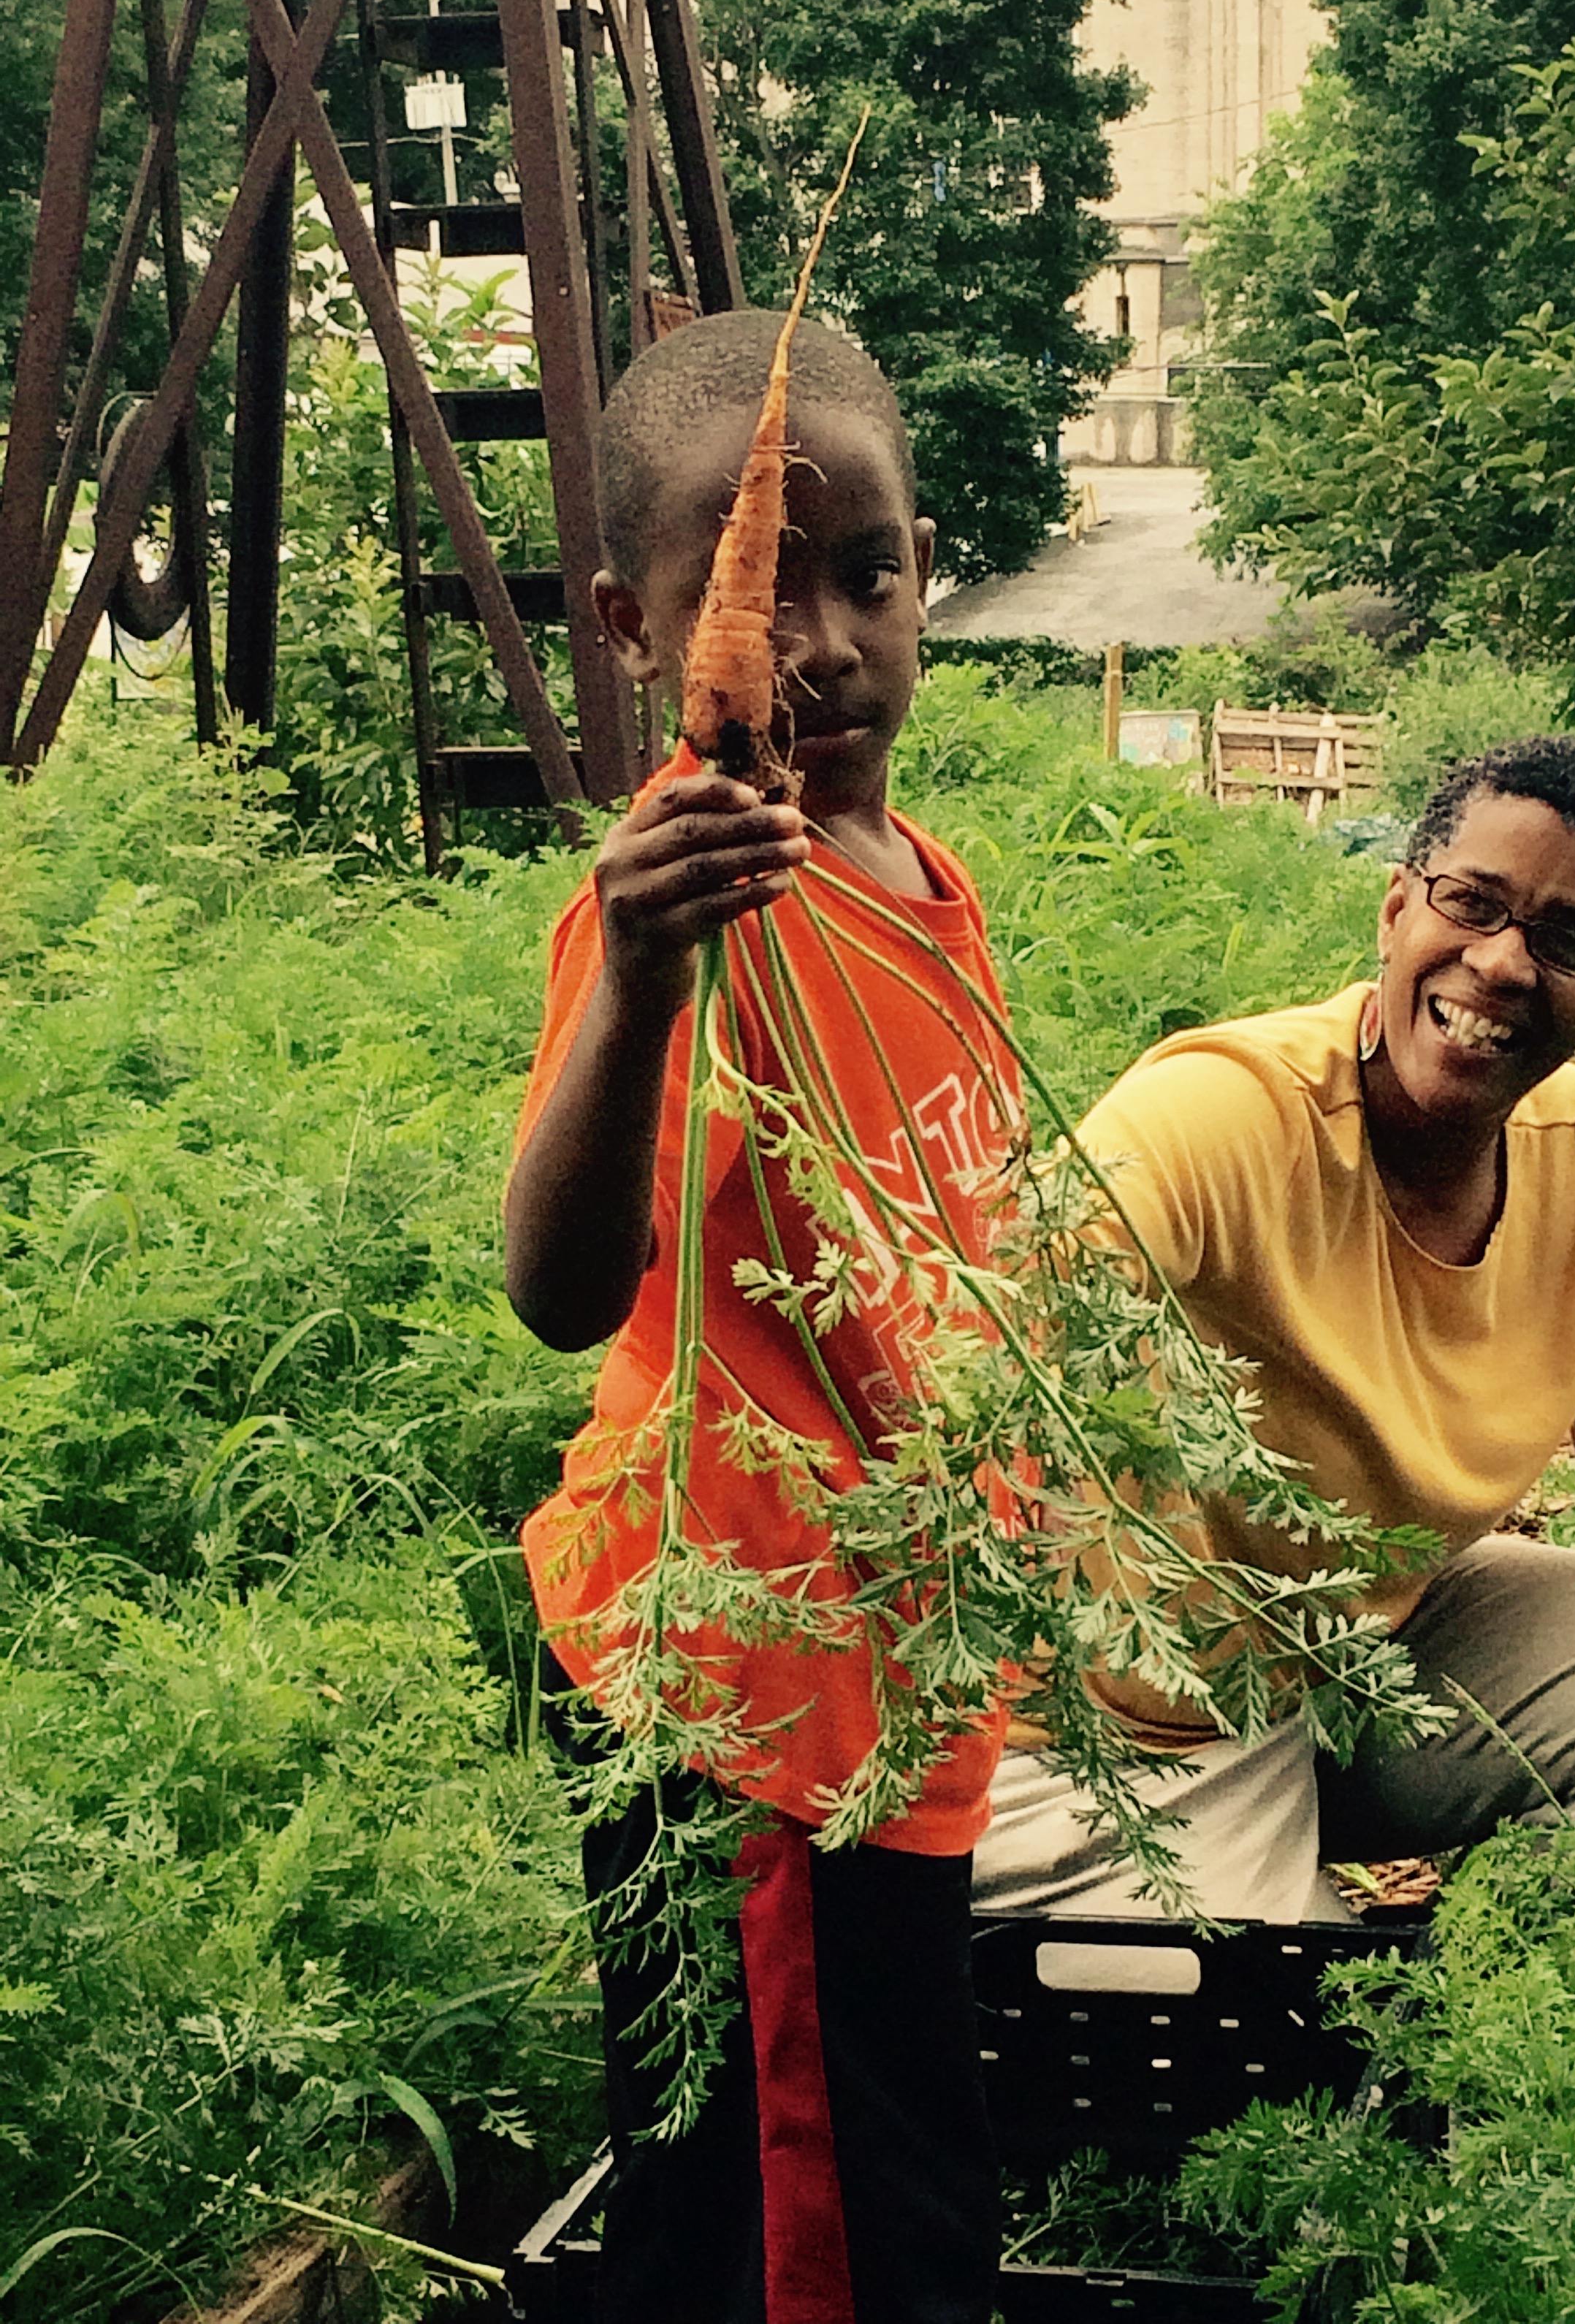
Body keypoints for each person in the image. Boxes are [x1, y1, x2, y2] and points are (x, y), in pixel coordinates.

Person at [505, 310, 1021, 2324]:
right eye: (751, 591)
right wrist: (641, 979)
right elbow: (562, 1291)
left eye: (867, 574)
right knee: (799, 2244)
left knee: (888, 2188)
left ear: (926, 575)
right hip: (748, 1704)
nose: (819, 646)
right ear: (633, 629)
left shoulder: (919, 872)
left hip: (898, 1682)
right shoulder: (686, 907)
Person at [974, 737, 1575, 1926]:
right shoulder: (1224, 1114)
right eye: (1472, 903)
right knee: (1281, 2021)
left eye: (1569, 943)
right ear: (1398, 907)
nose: (1501, 963)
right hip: (1130, 1713)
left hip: (1369, 1652)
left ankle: (1493, 1934)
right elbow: (987, 1335)